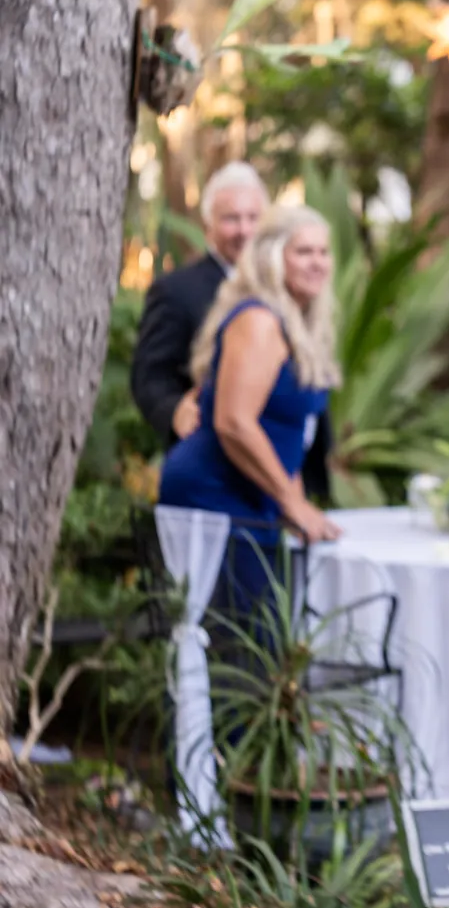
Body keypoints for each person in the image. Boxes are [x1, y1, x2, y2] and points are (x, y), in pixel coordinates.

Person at [159, 205, 342, 620]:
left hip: (256, 498)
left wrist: (294, 502)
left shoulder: (297, 325)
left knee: (268, 636)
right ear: (273, 257)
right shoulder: (259, 320)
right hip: (216, 496)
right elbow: (234, 423)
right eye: (304, 252)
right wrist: (292, 504)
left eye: (323, 252)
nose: (317, 263)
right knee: (241, 642)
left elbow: (289, 432)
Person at [132, 162, 333, 498]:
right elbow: (150, 374)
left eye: (254, 218)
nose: (244, 229)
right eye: (231, 219)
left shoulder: (294, 290)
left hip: (282, 471)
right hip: (220, 468)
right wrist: (174, 409)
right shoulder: (177, 291)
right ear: (208, 225)